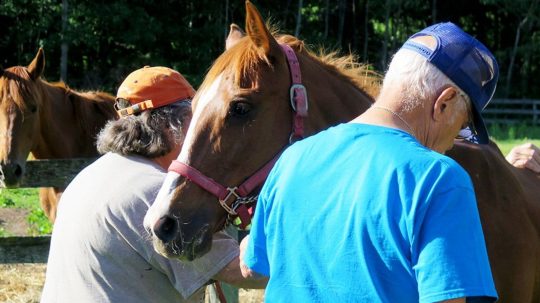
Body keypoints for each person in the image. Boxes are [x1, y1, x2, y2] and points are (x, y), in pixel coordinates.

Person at [241, 22, 499, 302]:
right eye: (463, 126)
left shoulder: (291, 160)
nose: (453, 142)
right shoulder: (438, 178)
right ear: (444, 102)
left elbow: (253, 266)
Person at [41, 66, 266, 302]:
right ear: (172, 126)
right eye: (198, 118)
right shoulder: (159, 193)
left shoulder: (87, 176)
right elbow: (248, 271)